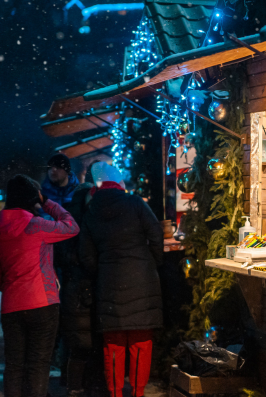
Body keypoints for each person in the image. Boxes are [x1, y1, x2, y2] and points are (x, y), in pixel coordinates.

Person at [0, 174, 79, 397]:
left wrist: (9, 285)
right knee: (38, 364)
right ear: (32, 197)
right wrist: (47, 202)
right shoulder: (37, 226)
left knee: (14, 365)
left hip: (11, 305)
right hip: (42, 302)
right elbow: (71, 226)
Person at [80, 162, 164, 397]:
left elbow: (86, 254)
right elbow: (156, 233)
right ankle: (137, 392)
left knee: (113, 345)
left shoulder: (90, 211)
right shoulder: (135, 203)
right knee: (140, 343)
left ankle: (116, 393)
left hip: (109, 283)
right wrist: (152, 262)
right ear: (119, 183)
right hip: (142, 280)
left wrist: (104, 270)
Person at [56, 179, 98, 397]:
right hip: (86, 285)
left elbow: (61, 255)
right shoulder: (90, 220)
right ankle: (87, 385)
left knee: (73, 340)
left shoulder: (66, 222)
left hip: (70, 285)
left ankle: (72, 385)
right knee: (87, 341)